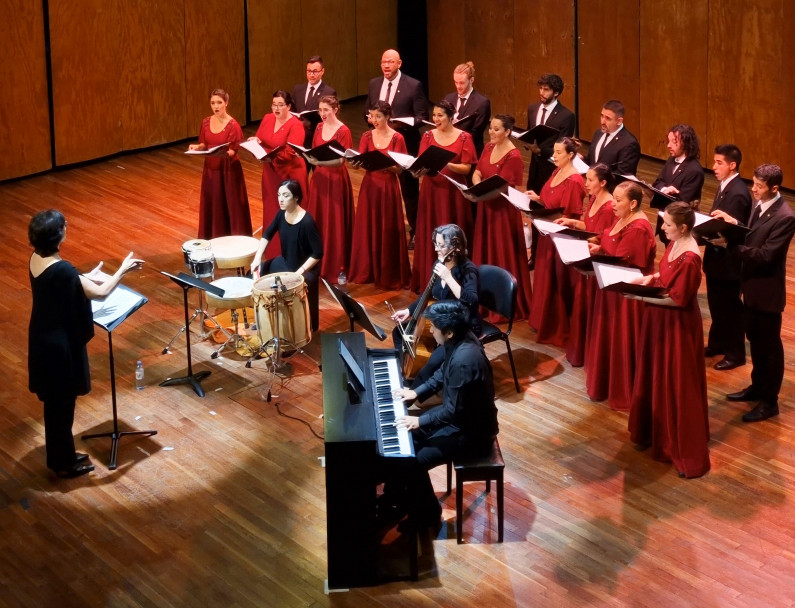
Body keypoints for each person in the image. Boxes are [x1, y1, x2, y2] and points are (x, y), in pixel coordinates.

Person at [28, 210, 143, 478]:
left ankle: (62, 455)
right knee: (62, 407)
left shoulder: (36, 259)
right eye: (63, 226)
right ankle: (63, 464)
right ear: (58, 236)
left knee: (55, 406)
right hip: (59, 348)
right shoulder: (64, 270)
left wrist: (84, 277)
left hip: (43, 340)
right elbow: (101, 292)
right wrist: (122, 270)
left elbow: (63, 284)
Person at [392, 300, 498, 530]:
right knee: (405, 445)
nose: (430, 330)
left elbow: (452, 411)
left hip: (472, 433)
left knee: (414, 461)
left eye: (434, 327)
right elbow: (441, 373)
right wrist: (415, 392)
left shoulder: (464, 360)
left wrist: (419, 420)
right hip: (462, 419)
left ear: (448, 332)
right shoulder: (460, 340)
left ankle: (429, 515)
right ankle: (400, 498)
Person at [628, 202, 710, 478]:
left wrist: (638, 297)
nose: (662, 228)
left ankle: (675, 442)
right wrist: (648, 279)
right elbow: (666, 274)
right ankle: (655, 432)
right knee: (657, 375)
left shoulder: (690, 258)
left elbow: (679, 300)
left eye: (668, 225)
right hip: (660, 318)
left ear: (683, 228)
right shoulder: (677, 244)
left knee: (675, 380)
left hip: (676, 326)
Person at [712, 163, 795, 422]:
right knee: (756, 343)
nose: (754, 189)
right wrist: (733, 222)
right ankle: (757, 387)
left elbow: (766, 255)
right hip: (751, 287)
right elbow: (751, 234)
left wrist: (729, 245)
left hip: (767, 293)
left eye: (759, 186)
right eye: (754, 183)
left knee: (770, 349)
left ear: (775, 188)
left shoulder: (785, 216)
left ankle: (770, 402)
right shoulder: (761, 205)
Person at [584, 181, 655, 410]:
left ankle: (623, 388)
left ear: (633, 203)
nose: (613, 204)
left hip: (626, 296)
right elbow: (612, 244)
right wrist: (600, 248)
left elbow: (624, 260)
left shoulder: (638, 228)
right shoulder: (624, 218)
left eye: (618, 200)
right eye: (613, 198)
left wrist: (600, 250)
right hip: (613, 286)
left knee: (622, 339)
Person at [392, 224, 480, 390]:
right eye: (436, 244)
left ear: (456, 246)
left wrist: (448, 277)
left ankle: (412, 394)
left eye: (441, 245)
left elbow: (472, 301)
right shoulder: (439, 264)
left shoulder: (468, 270)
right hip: (441, 321)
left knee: (432, 362)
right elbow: (427, 294)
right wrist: (409, 311)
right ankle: (403, 373)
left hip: (460, 327)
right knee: (399, 333)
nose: (436, 249)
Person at [410, 100, 478, 291]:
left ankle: (455, 282)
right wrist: (417, 172)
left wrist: (445, 162)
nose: (436, 119)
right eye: (434, 115)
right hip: (431, 191)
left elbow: (466, 168)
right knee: (431, 231)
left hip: (453, 193)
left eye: (440, 115)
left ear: (451, 117)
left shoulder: (464, 137)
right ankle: (429, 281)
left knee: (453, 234)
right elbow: (422, 163)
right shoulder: (428, 136)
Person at [470, 114, 533, 321]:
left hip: (503, 212)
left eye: (497, 129)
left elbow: (502, 188)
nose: (492, 132)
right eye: (491, 128)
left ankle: (503, 301)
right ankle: (484, 300)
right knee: (486, 249)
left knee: (502, 252)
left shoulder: (513, 156)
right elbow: (478, 171)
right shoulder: (488, 147)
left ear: (507, 132)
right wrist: (476, 183)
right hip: (486, 207)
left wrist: (478, 195)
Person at [526, 137, 586, 346]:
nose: (555, 156)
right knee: (545, 277)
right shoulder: (556, 171)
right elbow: (551, 201)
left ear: (571, 155)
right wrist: (537, 199)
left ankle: (557, 325)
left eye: (559, 153)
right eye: (554, 152)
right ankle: (543, 319)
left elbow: (569, 215)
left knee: (557, 280)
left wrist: (546, 218)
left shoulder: (575, 180)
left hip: (560, 237)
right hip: (547, 232)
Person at [555, 163, 616, 366]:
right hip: (585, 255)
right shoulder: (593, 198)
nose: (586, 183)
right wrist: (572, 223)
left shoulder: (609, 207)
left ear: (603, 182)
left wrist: (582, 239)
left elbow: (603, 239)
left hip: (595, 262)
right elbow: (590, 227)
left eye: (590, 180)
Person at [367, 49, 429, 246]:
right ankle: (385, 228)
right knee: (381, 187)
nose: (386, 65)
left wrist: (400, 125)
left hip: (405, 144)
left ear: (399, 63)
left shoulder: (413, 85)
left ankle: (416, 231)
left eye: (390, 62)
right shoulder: (374, 84)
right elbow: (366, 111)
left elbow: (422, 117)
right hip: (379, 143)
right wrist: (372, 120)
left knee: (409, 191)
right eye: (384, 62)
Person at [348, 101, 412, 290]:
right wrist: (356, 163)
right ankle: (368, 270)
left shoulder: (397, 138)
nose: (373, 120)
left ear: (387, 117)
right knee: (369, 226)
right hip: (370, 187)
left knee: (386, 227)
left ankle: (387, 273)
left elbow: (400, 170)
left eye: (378, 116)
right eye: (371, 116)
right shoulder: (367, 136)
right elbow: (361, 160)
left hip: (388, 187)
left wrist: (385, 165)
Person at [702, 144, 752, 371]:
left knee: (730, 308)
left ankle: (735, 353)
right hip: (717, 259)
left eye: (719, 162)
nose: (714, 167)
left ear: (732, 165)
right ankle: (717, 343)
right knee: (716, 305)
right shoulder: (725, 186)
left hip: (729, 263)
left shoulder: (739, 192)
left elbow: (737, 230)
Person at [250, 180, 323, 332]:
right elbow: (267, 235)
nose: (280, 199)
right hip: (286, 263)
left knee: (289, 289)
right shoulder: (280, 215)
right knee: (259, 273)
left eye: (286, 195)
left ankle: (298, 327)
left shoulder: (307, 222)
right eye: (279, 195)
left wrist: (299, 273)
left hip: (305, 269)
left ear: (296, 198)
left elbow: (318, 253)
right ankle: (266, 319)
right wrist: (257, 258)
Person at [250, 90, 309, 259]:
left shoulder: (296, 125)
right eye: (274, 104)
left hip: (289, 174)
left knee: (289, 213)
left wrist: (267, 156)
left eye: (280, 105)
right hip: (270, 174)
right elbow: (260, 138)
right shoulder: (268, 118)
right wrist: (255, 143)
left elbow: (290, 153)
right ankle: (274, 251)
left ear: (289, 106)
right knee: (272, 210)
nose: (276, 108)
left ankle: (291, 253)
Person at [189, 88, 252, 240]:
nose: (216, 106)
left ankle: (235, 238)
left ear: (226, 103)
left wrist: (223, 154)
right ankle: (213, 237)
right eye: (212, 103)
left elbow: (233, 151)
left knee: (231, 204)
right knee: (213, 202)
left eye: (219, 102)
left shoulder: (233, 125)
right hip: (211, 168)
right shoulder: (205, 122)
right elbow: (204, 143)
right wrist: (197, 147)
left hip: (228, 169)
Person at [303, 95, 354, 281]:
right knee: (318, 219)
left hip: (335, 180)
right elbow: (316, 149)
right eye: (320, 110)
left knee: (334, 222)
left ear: (335, 109)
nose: (323, 114)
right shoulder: (318, 127)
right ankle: (316, 259)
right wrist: (312, 159)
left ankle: (336, 264)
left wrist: (319, 162)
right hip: (319, 179)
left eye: (326, 110)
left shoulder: (344, 131)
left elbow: (342, 160)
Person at [651, 124, 705, 244]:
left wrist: (672, 194)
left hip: (680, 227)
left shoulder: (694, 170)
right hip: (666, 220)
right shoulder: (671, 160)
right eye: (668, 141)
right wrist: (665, 189)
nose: (668, 145)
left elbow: (686, 202)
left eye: (674, 142)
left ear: (686, 143)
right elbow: (658, 182)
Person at [525, 73, 576, 195]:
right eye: (541, 88)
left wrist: (540, 151)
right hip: (533, 169)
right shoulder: (532, 108)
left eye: (546, 90)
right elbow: (529, 133)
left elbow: (563, 148)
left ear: (556, 93)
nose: (541, 92)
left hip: (551, 169)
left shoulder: (566, 116)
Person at [443, 61, 491, 157]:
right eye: (455, 82)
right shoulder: (449, 98)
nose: (458, 86)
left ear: (471, 80)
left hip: (469, 152)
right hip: (448, 149)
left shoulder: (482, 103)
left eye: (462, 83)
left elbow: (476, 133)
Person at [292, 55, 337, 150]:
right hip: (298, 136)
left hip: (316, 137)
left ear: (322, 72)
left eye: (315, 71)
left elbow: (330, 119)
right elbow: (293, 111)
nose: (311, 75)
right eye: (309, 71)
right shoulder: (298, 89)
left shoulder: (329, 92)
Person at [584, 100, 641, 176]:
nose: (602, 122)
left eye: (608, 118)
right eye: (602, 116)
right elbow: (593, 162)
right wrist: (582, 159)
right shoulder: (598, 133)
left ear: (619, 121)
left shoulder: (629, 143)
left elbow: (623, 175)